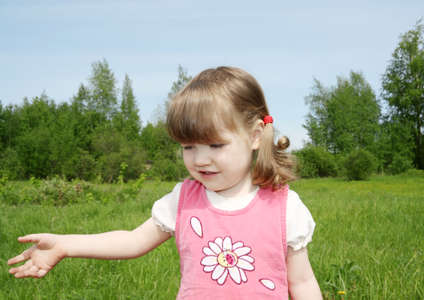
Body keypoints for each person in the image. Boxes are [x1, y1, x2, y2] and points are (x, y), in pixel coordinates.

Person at [8, 66, 322, 299]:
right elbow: (132, 241)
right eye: (188, 147)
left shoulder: (283, 207)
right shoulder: (184, 199)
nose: (200, 159)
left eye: (215, 145)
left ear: (254, 136)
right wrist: (66, 245)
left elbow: (303, 283)